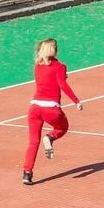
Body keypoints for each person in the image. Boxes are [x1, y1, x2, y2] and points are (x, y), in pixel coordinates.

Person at [22, 37, 83, 186]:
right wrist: (76, 101)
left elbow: (47, 80)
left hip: (35, 108)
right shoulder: (60, 67)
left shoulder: (37, 67)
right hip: (51, 109)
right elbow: (61, 84)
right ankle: (50, 138)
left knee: (33, 142)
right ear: (55, 50)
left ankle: (27, 173)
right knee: (62, 127)